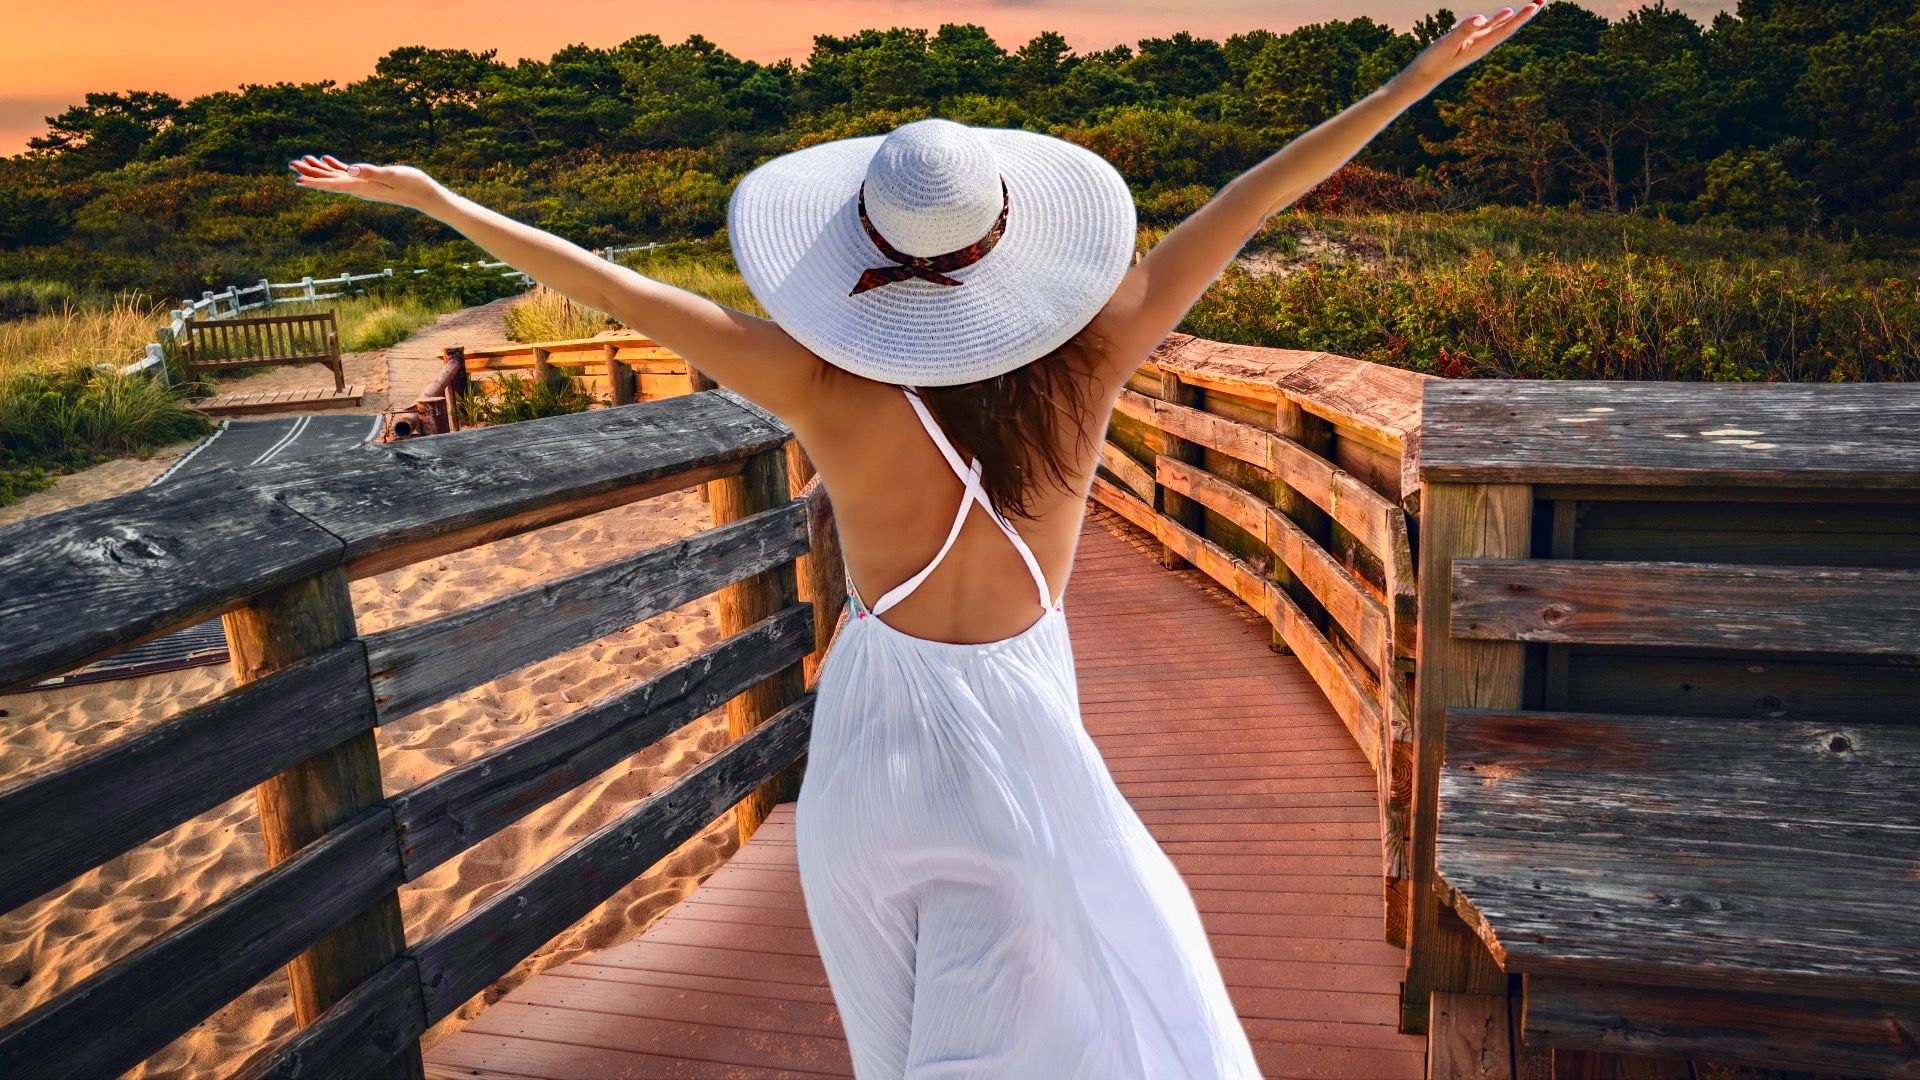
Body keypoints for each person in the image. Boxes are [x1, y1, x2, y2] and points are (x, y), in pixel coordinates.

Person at [292, 6, 1538, 1074]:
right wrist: (1418, 76)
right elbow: (1261, 191)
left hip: (871, 754)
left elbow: (618, 287)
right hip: (1017, 747)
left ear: (864, 247)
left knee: (897, 1048)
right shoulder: (1094, 359)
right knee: (1083, 1000)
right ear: (1012, 238)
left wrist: (432, 197)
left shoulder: (817, 382)